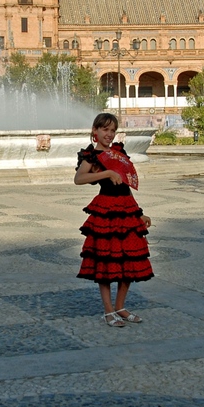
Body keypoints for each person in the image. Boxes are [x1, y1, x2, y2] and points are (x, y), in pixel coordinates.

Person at [74, 113, 154, 327]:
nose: (109, 134)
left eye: (112, 130)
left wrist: (139, 213)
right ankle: (108, 310)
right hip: (106, 209)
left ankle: (121, 307)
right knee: (107, 261)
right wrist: (106, 173)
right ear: (95, 131)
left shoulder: (118, 152)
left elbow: (126, 186)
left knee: (130, 259)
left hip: (126, 209)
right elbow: (79, 179)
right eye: (105, 130)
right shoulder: (91, 155)